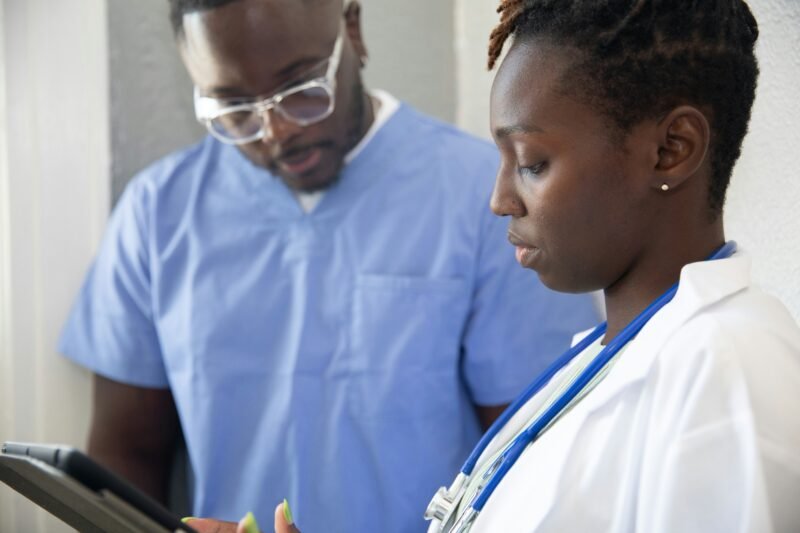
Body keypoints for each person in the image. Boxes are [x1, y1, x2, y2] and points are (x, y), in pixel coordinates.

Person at [187, 0, 800, 532]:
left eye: (531, 162)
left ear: (672, 150)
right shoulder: (605, 357)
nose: (499, 199)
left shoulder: (729, 367)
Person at [58, 0, 597, 532]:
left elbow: (532, 462)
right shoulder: (158, 214)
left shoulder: (488, 201)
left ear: (353, 32)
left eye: (300, 92)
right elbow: (125, 454)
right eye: (235, 109)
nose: (275, 131)